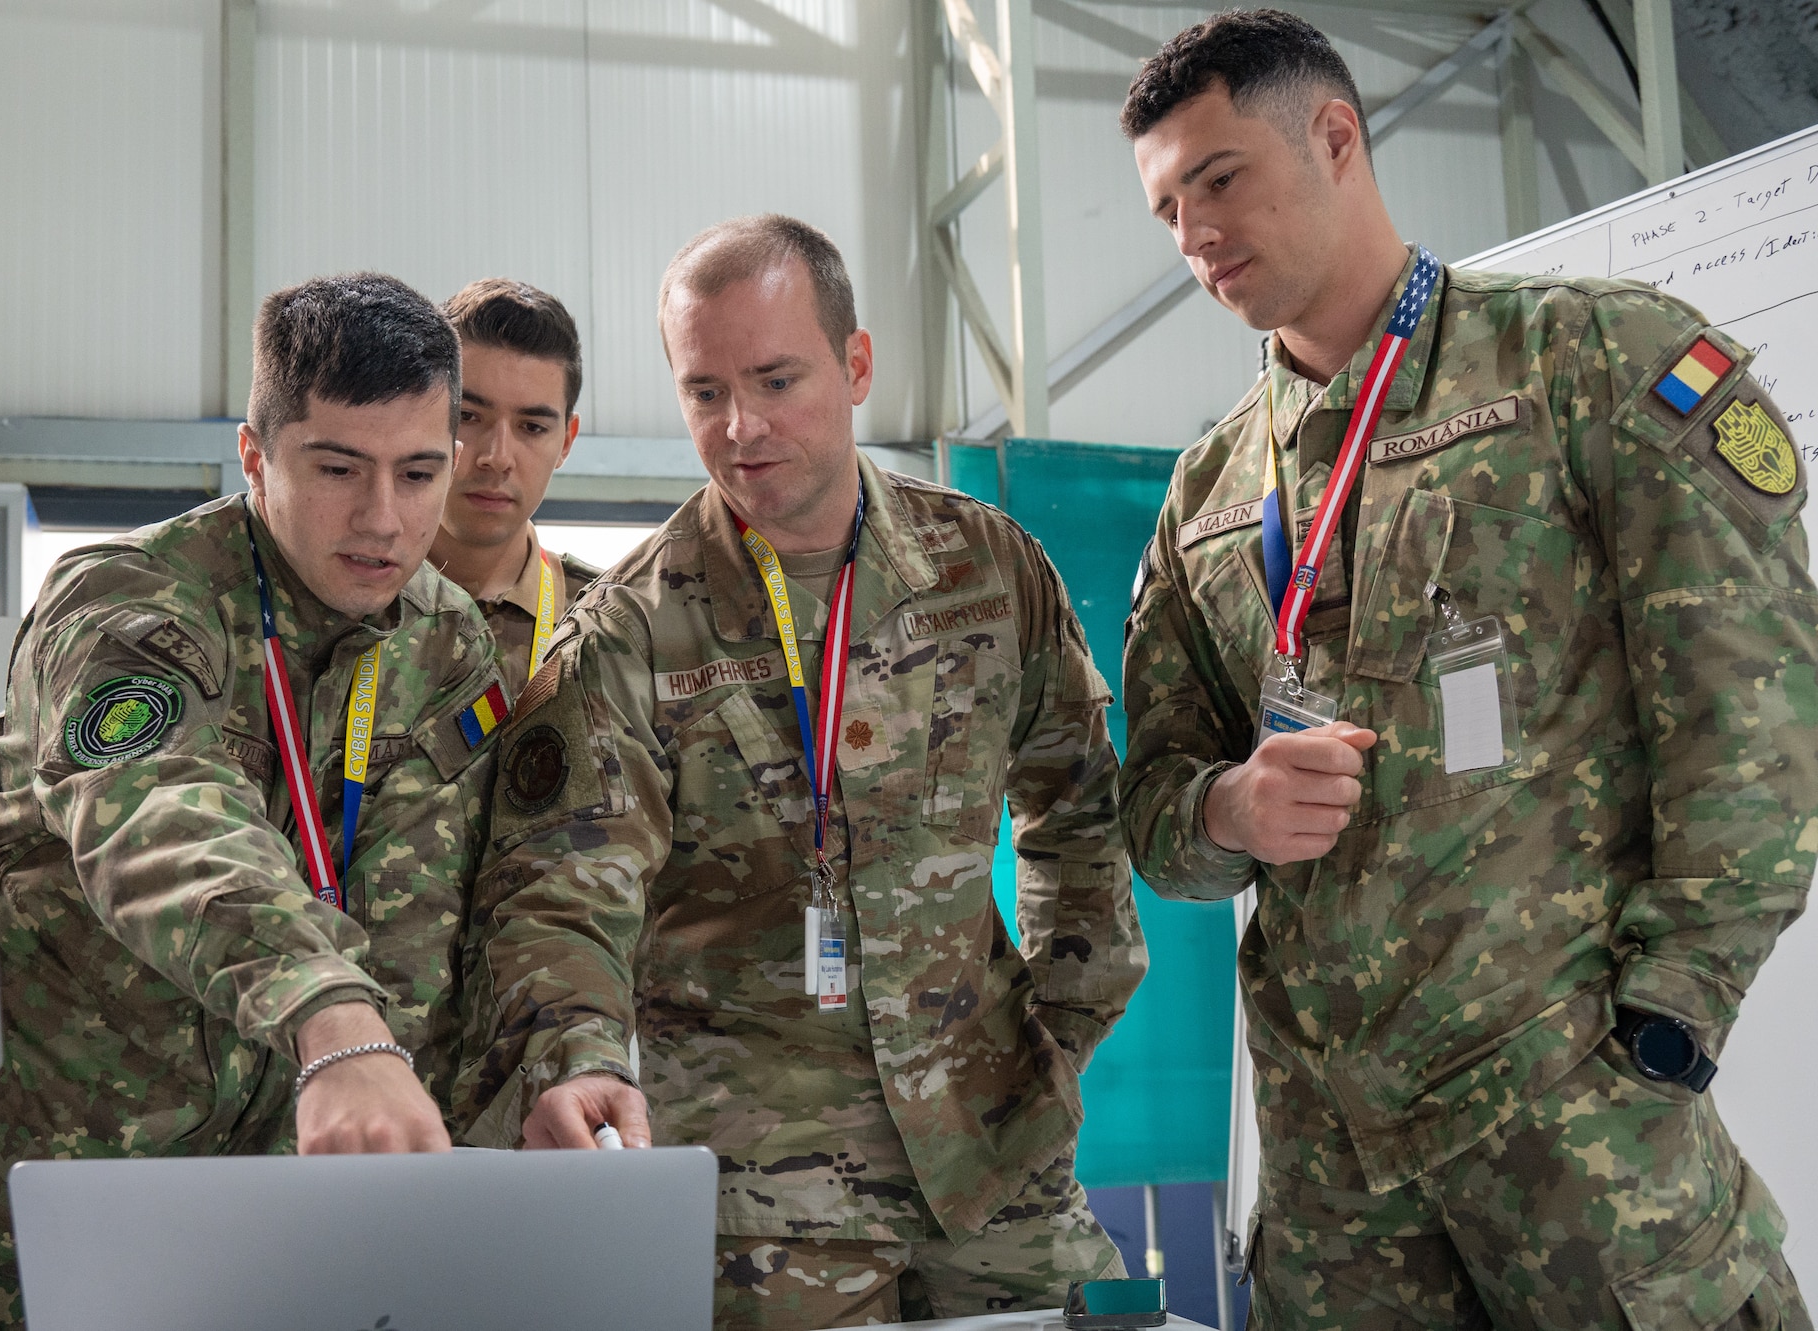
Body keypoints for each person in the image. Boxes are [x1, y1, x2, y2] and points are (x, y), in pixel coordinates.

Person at [1115, 12, 1816, 1330]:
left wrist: (1666, 1022)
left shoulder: (1592, 362)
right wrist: (1227, 810)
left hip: (1576, 1137)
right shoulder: (1208, 492)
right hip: (1338, 1189)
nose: (1194, 233)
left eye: (1218, 178)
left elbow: (1754, 718)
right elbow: (1153, 805)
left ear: (1335, 137)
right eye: (1165, 207)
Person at [459, 214, 1146, 1329]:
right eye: (703, 392)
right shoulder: (628, 633)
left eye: (776, 379)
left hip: (996, 1153)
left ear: (857, 363)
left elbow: (1079, 807)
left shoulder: (985, 567)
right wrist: (579, 1056)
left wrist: (1058, 1035)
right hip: (765, 1195)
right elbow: (562, 893)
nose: (740, 427)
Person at [0, 273, 509, 1330]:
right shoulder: (130, 601)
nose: (384, 518)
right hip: (40, 1203)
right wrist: (332, 1021)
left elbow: (427, 918)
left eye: (419, 471)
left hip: (271, 1214)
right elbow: (160, 815)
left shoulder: (443, 640)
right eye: (338, 468)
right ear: (255, 457)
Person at [427, 278, 604, 702]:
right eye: (468, 416)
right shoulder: (353, 597)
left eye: (532, 427)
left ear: (565, 441)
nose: (498, 456)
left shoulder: (607, 621)